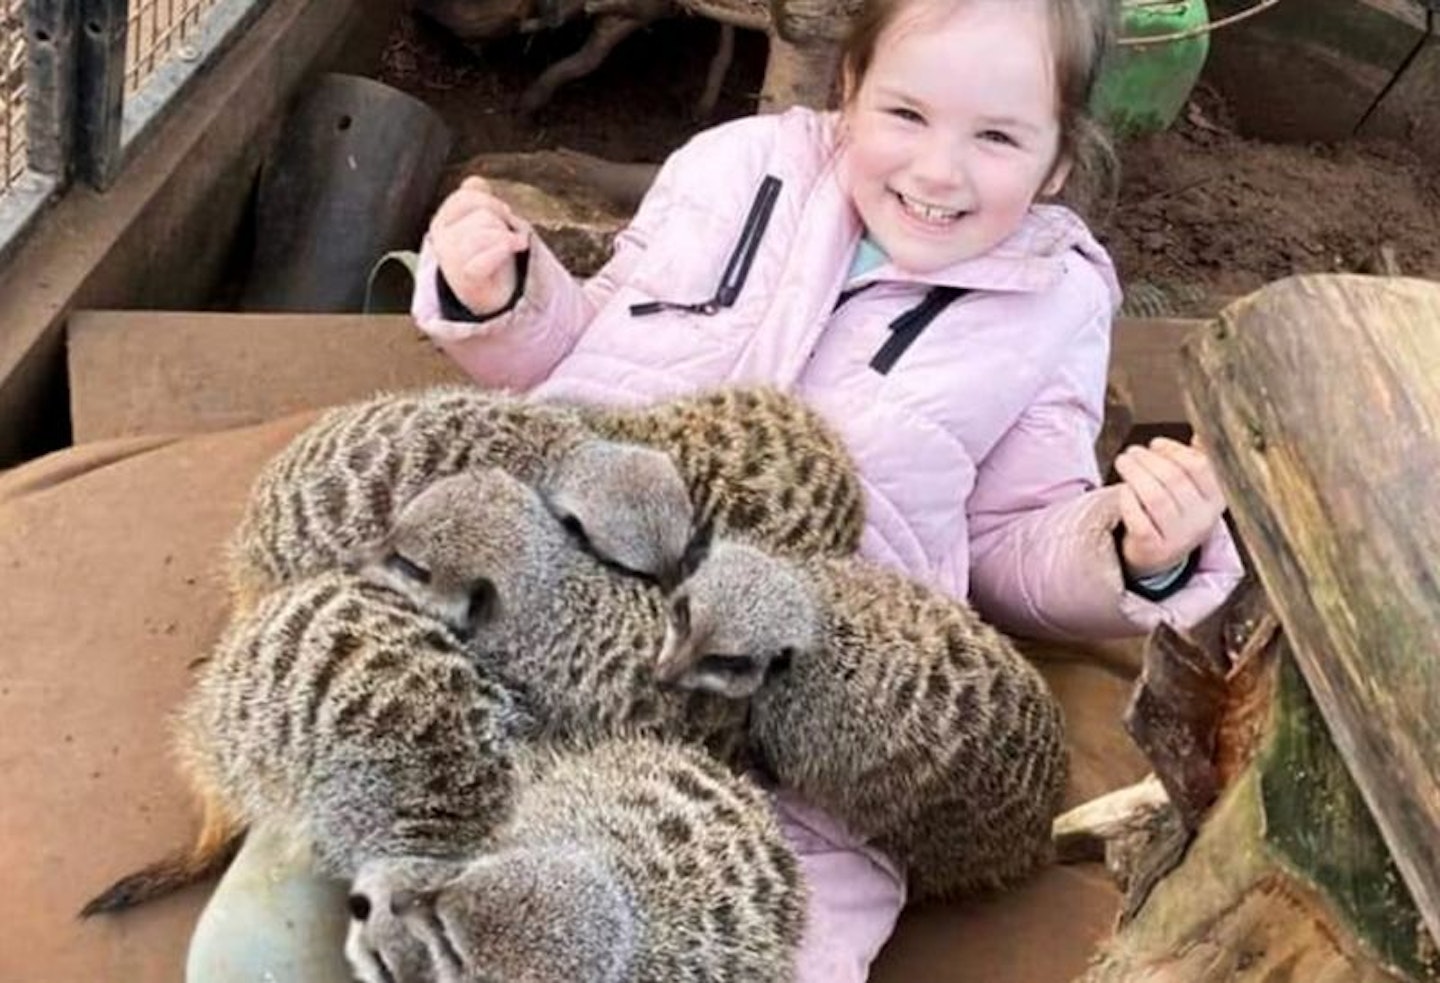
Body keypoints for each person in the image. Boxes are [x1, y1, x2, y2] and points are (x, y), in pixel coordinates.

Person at [188, 0, 1242, 980]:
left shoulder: (1051, 304)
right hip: (559, 557)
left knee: (750, 914)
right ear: (850, 91)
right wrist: (503, 297)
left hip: (782, 684)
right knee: (355, 780)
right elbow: (585, 337)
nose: (939, 167)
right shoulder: (733, 168)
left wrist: (1133, 552)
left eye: (998, 137)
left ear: (1060, 161)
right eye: (906, 113)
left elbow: (1014, 542)